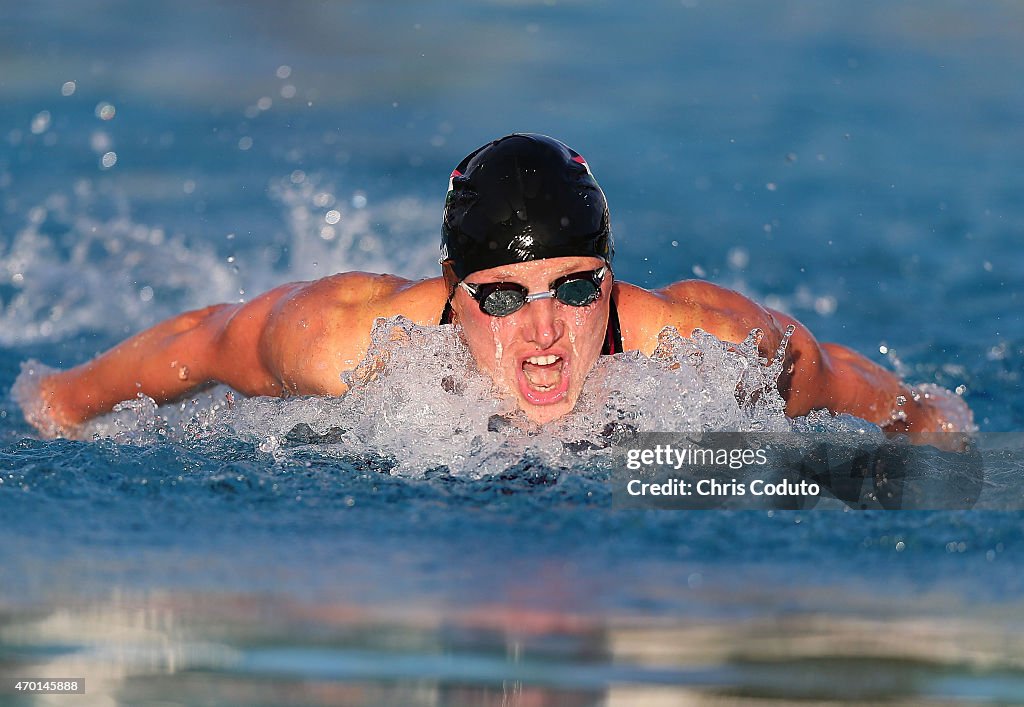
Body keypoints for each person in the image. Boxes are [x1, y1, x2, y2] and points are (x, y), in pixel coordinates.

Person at [22, 134, 967, 442]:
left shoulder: (703, 350)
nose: (547, 333)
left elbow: (847, 382)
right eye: (504, 298)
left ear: (612, 276)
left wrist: (932, 421)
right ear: (452, 290)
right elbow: (203, 338)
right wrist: (59, 401)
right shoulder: (342, 342)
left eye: (574, 287)